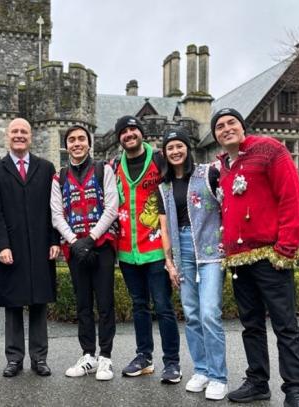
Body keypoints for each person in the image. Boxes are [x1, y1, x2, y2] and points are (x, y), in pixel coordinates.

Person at [211, 107, 299, 407]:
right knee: (251, 325)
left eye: (232, 123)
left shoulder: (269, 149)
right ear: (215, 135)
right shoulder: (224, 167)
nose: (226, 128)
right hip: (239, 259)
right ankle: (257, 381)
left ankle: (295, 390)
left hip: (271, 255)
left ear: (243, 127)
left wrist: (287, 247)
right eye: (220, 126)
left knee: (285, 325)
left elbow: (291, 196)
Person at [156, 129, 228, 400]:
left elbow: (226, 206)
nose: (175, 151)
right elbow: (164, 227)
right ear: (164, 152)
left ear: (187, 148)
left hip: (209, 250)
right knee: (192, 313)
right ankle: (201, 369)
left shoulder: (208, 173)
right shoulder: (163, 186)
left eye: (179, 146)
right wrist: (169, 262)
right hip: (182, 250)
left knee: (210, 312)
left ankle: (219, 376)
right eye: (170, 147)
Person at [0, 118, 60, 378]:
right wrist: (2, 246)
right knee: (13, 304)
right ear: (8, 136)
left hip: (41, 244)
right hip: (12, 247)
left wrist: (54, 240)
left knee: (40, 302)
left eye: (24, 132)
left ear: (30, 137)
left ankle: (39, 358)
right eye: (15, 131)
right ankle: (14, 358)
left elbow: (54, 210)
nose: (19, 135)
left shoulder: (47, 167)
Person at [111, 115, 182, 384]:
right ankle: (144, 357)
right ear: (119, 138)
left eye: (133, 129)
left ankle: (172, 362)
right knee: (139, 306)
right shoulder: (115, 164)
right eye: (124, 131)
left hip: (156, 248)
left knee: (163, 306)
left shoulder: (161, 159)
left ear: (141, 133)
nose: (129, 134)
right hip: (127, 250)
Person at [50, 125, 119, 381]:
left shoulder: (104, 169)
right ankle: (87, 354)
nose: (77, 143)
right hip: (75, 250)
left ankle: (106, 358)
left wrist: (90, 239)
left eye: (81, 139)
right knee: (82, 304)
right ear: (66, 145)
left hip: (101, 246)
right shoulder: (59, 176)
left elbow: (112, 207)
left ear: (89, 144)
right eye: (71, 140)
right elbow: (57, 214)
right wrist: (74, 241)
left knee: (105, 303)